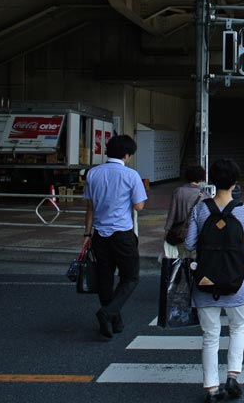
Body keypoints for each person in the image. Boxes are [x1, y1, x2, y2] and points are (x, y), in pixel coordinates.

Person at [185, 158, 244, 402]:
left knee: (210, 335)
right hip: (236, 281)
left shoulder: (200, 208)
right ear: (236, 182)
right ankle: (232, 376)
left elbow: (189, 244)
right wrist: (235, 253)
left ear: (213, 181)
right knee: (238, 327)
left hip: (205, 281)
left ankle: (211, 388)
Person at [82, 134, 148, 339]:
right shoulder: (131, 176)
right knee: (130, 277)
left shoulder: (93, 173)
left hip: (100, 235)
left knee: (105, 278)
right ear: (127, 155)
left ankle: (114, 320)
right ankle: (108, 313)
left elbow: (90, 207)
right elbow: (139, 206)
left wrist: (87, 233)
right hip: (123, 234)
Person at [162, 164, 207, 257]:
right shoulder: (205, 195)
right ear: (202, 178)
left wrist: (167, 232)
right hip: (197, 236)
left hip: (179, 234)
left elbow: (171, 215)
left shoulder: (178, 191)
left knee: (180, 261)